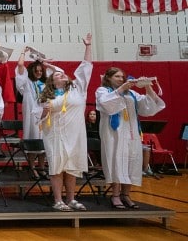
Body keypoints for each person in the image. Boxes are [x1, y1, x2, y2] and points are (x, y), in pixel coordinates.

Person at [95, 68, 165, 210]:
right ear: (108, 78)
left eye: (122, 76)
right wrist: (121, 89)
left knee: (131, 162)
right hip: (114, 133)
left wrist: (147, 86)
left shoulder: (131, 93)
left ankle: (126, 195)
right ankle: (115, 195)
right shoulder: (103, 91)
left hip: (132, 133)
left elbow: (149, 106)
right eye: (117, 76)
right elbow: (106, 105)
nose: (121, 78)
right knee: (116, 161)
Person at [38, 33, 92, 212]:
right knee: (57, 167)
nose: (62, 76)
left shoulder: (77, 89)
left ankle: (71, 199)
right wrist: (45, 111)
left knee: (72, 167)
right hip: (54, 134)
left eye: (63, 74)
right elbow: (38, 117)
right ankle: (58, 200)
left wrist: (88, 47)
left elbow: (85, 67)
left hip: (75, 134)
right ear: (52, 81)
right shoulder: (46, 96)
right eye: (57, 75)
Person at [15, 50, 48, 175]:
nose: (39, 73)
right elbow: (20, 66)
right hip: (32, 116)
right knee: (33, 140)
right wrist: (22, 52)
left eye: (41, 71)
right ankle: (32, 168)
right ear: (31, 71)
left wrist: (45, 63)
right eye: (36, 71)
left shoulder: (45, 84)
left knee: (44, 142)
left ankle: (41, 167)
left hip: (44, 115)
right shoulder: (26, 83)